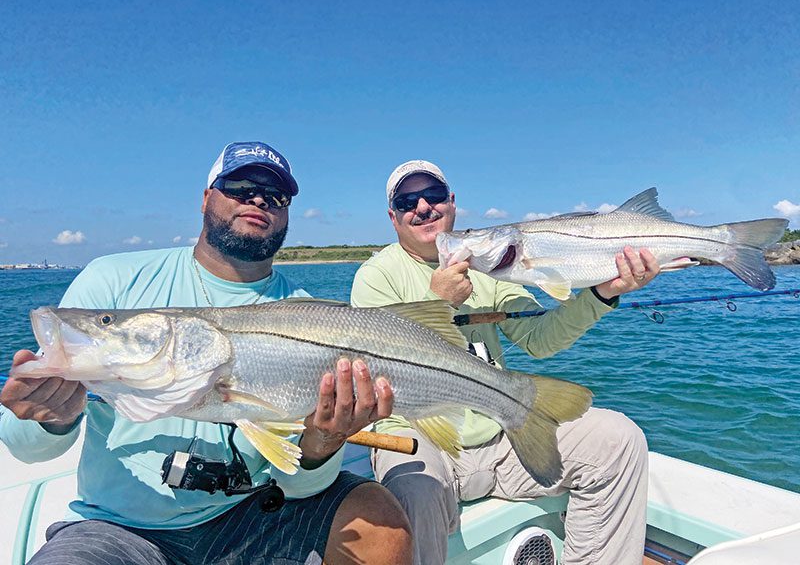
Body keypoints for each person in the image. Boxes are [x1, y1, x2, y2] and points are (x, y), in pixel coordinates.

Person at [0, 141, 412, 565]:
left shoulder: (309, 313)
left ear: (286, 213)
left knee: (382, 522)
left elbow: (300, 487)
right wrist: (53, 418)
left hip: (257, 510)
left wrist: (324, 441)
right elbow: (27, 449)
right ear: (205, 197)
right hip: (120, 527)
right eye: (239, 186)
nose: (257, 200)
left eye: (275, 196)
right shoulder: (114, 279)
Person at [350, 159, 658, 565]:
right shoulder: (375, 276)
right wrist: (438, 302)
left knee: (619, 440)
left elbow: (539, 339)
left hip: (502, 433)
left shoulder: (490, 263)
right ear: (394, 217)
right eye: (408, 201)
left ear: (452, 203)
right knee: (413, 491)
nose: (423, 207)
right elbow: (384, 368)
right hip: (418, 437)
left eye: (434, 196)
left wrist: (602, 295)